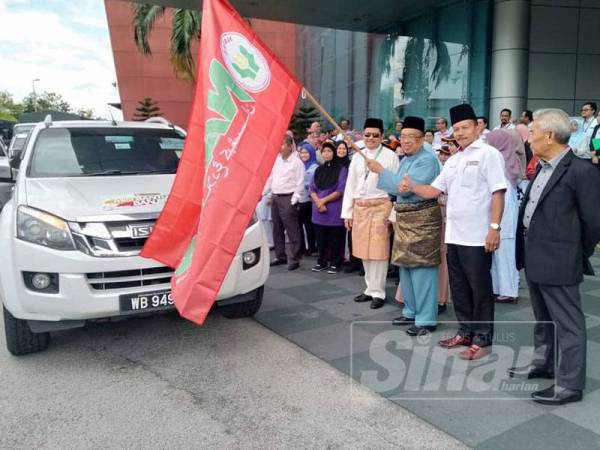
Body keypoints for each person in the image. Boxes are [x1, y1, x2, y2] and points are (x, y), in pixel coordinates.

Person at [400, 103, 507, 360]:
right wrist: (412, 186)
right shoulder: (453, 160)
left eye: (465, 128)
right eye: (456, 129)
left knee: (480, 289)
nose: (460, 133)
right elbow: (434, 191)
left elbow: (498, 192)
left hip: (478, 237)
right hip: (454, 237)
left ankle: (483, 340)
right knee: (459, 288)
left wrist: (494, 228)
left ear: (477, 127)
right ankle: (466, 331)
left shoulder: (488, 154)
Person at [510, 108, 600, 405]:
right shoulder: (542, 166)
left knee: (568, 323)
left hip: (560, 258)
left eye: (533, 134)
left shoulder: (581, 171)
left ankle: (570, 384)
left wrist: (574, 251)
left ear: (550, 136)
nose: (530, 140)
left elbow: (593, 223)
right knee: (543, 318)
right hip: (535, 254)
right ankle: (543, 363)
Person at [367, 116, 442, 336]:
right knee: (406, 268)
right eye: (403, 136)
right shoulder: (405, 159)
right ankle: (410, 311)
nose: (406, 140)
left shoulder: (426, 160)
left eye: (411, 137)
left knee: (422, 269)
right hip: (404, 219)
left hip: (423, 220)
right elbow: (396, 189)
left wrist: (381, 171)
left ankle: (426, 319)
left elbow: (405, 188)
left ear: (421, 139)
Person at [342, 118, 400, 309]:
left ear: (382, 136)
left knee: (379, 252)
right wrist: (347, 213)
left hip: (380, 206)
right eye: (367, 135)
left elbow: (396, 184)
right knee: (363, 251)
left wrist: (392, 212)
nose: (371, 138)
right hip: (360, 207)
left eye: (376, 135)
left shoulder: (390, 156)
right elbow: (350, 186)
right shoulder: (358, 155)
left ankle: (379, 292)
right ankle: (369, 288)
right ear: (363, 135)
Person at [486, 130, 521, 304]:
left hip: (504, 216)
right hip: (503, 215)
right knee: (499, 253)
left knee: (505, 252)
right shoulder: (506, 160)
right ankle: (499, 288)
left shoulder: (501, 164)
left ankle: (508, 291)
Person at [264, 134, 305, 271]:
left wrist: (294, 199)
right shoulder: (277, 160)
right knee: (277, 228)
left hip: (289, 197)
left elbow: (300, 182)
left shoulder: (296, 162)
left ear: (289, 145)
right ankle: (280, 255)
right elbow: (271, 178)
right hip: (276, 196)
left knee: (292, 229)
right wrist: (262, 193)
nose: (279, 148)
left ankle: (294, 258)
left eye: (281, 145)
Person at [310, 141, 349, 273]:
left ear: (334, 153)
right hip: (318, 211)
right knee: (321, 239)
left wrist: (323, 201)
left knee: (335, 239)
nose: (326, 154)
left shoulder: (341, 169)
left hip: (334, 210)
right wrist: (318, 202)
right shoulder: (318, 169)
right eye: (324, 151)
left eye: (329, 151)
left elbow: (340, 189)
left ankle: (335, 262)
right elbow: (311, 189)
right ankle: (322, 261)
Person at [297, 145, 319, 256]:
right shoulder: (300, 165)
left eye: (306, 153)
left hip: (309, 200)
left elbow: (313, 183)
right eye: (302, 153)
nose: (304, 155)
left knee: (309, 225)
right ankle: (303, 247)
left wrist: (301, 184)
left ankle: (311, 247)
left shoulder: (314, 167)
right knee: (300, 224)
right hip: (300, 200)